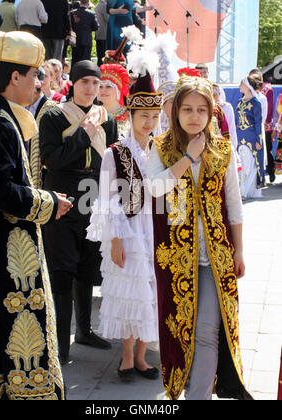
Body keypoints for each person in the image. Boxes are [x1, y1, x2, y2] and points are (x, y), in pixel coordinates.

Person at [147, 73, 252, 400]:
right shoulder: (160, 147)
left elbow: (233, 203)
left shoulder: (222, 149)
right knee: (181, 332)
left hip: (216, 257)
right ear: (175, 111)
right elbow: (155, 189)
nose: (194, 116)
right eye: (188, 109)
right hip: (176, 258)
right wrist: (189, 158)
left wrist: (239, 251)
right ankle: (191, 387)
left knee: (208, 331)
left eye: (202, 110)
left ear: (212, 113)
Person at [0, 30, 73, 400]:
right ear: (14, 77)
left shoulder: (2, 116)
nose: (40, 82)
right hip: (2, 256)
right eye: (35, 74)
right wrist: (48, 204)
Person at [39, 60, 118, 364]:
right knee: (62, 269)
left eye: (96, 84)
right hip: (62, 197)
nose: (90, 89)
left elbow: (111, 164)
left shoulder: (107, 120)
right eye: (85, 82)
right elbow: (52, 159)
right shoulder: (55, 116)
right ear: (74, 83)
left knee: (87, 266)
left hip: (94, 200)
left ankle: (84, 330)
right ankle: (60, 343)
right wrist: (84, 132)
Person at [87, 67, 163, 381]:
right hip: (129, 232)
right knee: (131, 292)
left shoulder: (160, 151)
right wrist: (116, 238)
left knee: (152, 293)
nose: (150, 122)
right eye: (144, 115)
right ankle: (127, 358)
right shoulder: (114, 153)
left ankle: (143, 358)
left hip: (156, 230)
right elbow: (107, 199)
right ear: (130, 113)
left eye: (155, 115)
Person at [236, 76, 265, 199]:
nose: (239, 86)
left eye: (242, 84)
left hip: (252, 137)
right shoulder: (239, 102)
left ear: (248, 86)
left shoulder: (255, 103)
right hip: (240, 137)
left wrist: (259, 140)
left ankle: (246, 190)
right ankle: (242, 189)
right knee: (242, 163)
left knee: (249, 164)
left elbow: (259, 122)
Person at [250, 69, 275, 182]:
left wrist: (264, 122)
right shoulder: (248, 90)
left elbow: (269, 109)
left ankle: (270, 171)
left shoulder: (267, 90)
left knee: (266, 149)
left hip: (264, 125)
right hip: (252, 126)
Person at [98, 63, 130, 135]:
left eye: (108, 86)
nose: (103, 90)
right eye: (100, 86)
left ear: (118, 90)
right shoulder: (93, 114)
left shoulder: (130, 115)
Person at [71, 0, 99, 65]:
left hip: (75, 39)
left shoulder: (73, 13)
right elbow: (96, 27)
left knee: (75, 60)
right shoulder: (91, 14)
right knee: (86, 62)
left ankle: (74, 74)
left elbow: (70, 26)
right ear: (88, 3)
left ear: (80, 3)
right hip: (86, 40)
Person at [95, 0, 109, 67]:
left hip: (99, 34)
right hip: (104, 34)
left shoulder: (98, 5)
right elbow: (108, 19)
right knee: (103, 57)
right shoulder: (104, 5)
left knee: (100, 56)